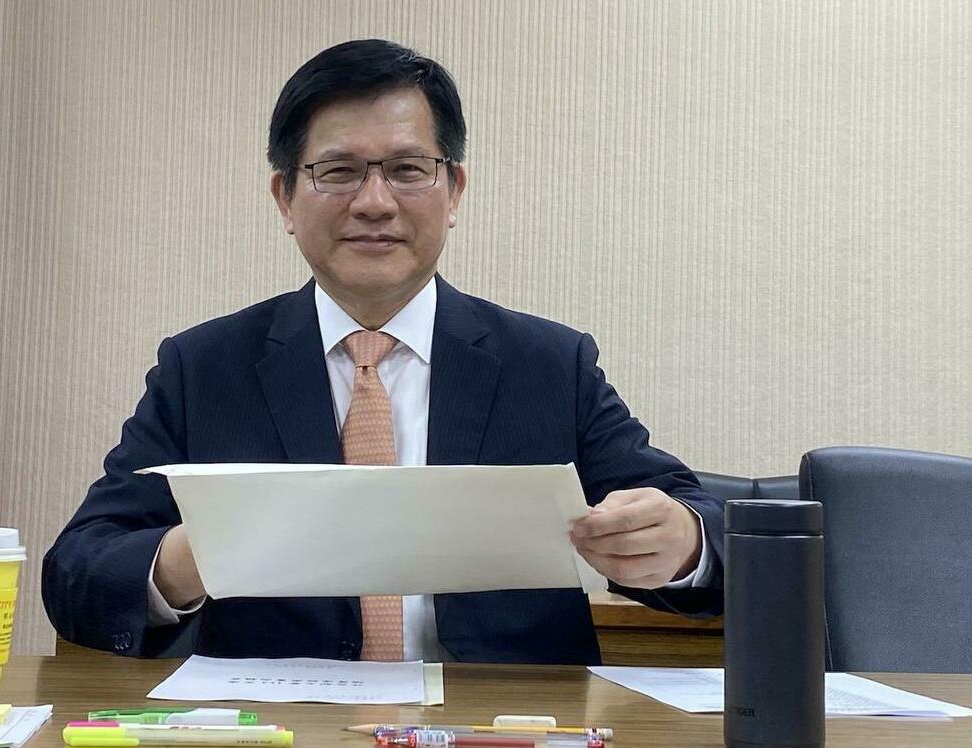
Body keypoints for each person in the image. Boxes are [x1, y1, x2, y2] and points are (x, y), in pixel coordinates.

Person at [42, 38, 723, 664]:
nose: (374, 202)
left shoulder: (548, 364)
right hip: (290, 723)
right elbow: (77, 572)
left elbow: (709, 529)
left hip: (499, 723)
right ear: (285, 198)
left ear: (454, 191)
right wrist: (190, 559)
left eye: (406, 170)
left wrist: (681, 542)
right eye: (338, 171)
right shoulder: (204, 369)